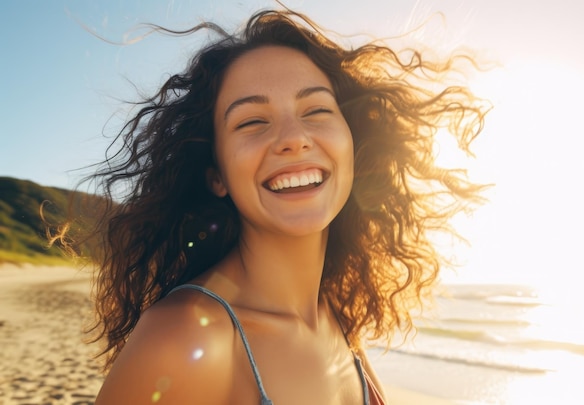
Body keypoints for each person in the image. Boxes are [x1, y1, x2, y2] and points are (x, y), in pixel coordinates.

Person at [69, 8, 488, 405]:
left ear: (354, 145)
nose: (293, 137)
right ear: (215, 174)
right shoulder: (187, 337)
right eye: (252, 121)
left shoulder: (337, 318)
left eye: (317, 110)